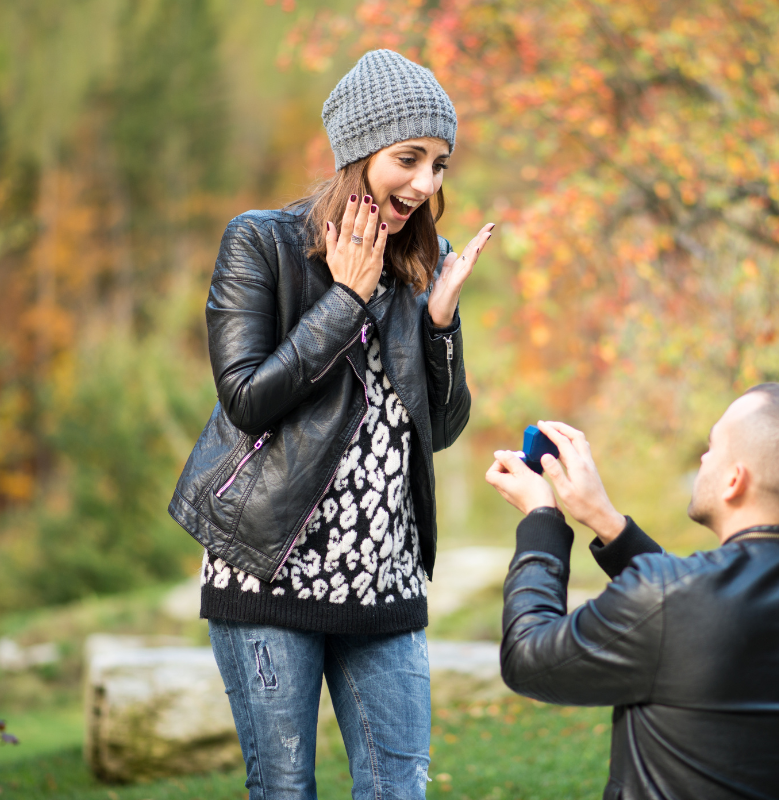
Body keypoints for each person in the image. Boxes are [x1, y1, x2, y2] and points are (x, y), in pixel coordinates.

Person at [169, 49, 493, 799]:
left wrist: (440, 324)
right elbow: (247, 399)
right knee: (284, 790)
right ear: (358, 151)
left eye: (440, 164)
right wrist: (345, 302)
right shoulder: (262, 244)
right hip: (267, 571)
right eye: (409, 159)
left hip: (384, 581)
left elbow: (437, 432)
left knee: (397, 789)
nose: (426, 183)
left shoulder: (425, 264)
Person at [485, 383, 779, 800]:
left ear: (735, 480)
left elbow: (527, 657)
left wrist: (542, 520)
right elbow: (696, 607)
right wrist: (605, 520)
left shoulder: (671, 598)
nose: (703, 458)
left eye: (713, 447)